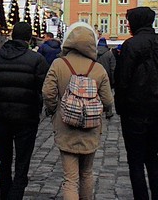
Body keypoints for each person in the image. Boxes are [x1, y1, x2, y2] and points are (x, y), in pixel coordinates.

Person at [42, 22, 114, 200]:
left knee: (70, 178)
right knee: (87, 173)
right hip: (90, 128)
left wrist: (53, 110)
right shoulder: (97, 69)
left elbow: (47, 92)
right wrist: (101, 109)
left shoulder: (59, 64)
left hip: (65, 126)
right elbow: (108, 100)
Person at [0, 22, 48, 200]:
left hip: (2, 117)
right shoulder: (36, 60)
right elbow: (44, 90)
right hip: (27, 119)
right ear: (29, 38)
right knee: (22, 162)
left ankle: (5, 195)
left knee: (5, 160)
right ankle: (15, 196)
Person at [114, 7, 158, 200]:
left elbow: (123, 80)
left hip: (135, 109)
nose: (128, 25)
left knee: (136, 159)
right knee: (152, 155)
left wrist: (120, 106)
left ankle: (141, 196)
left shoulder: (131, 45)